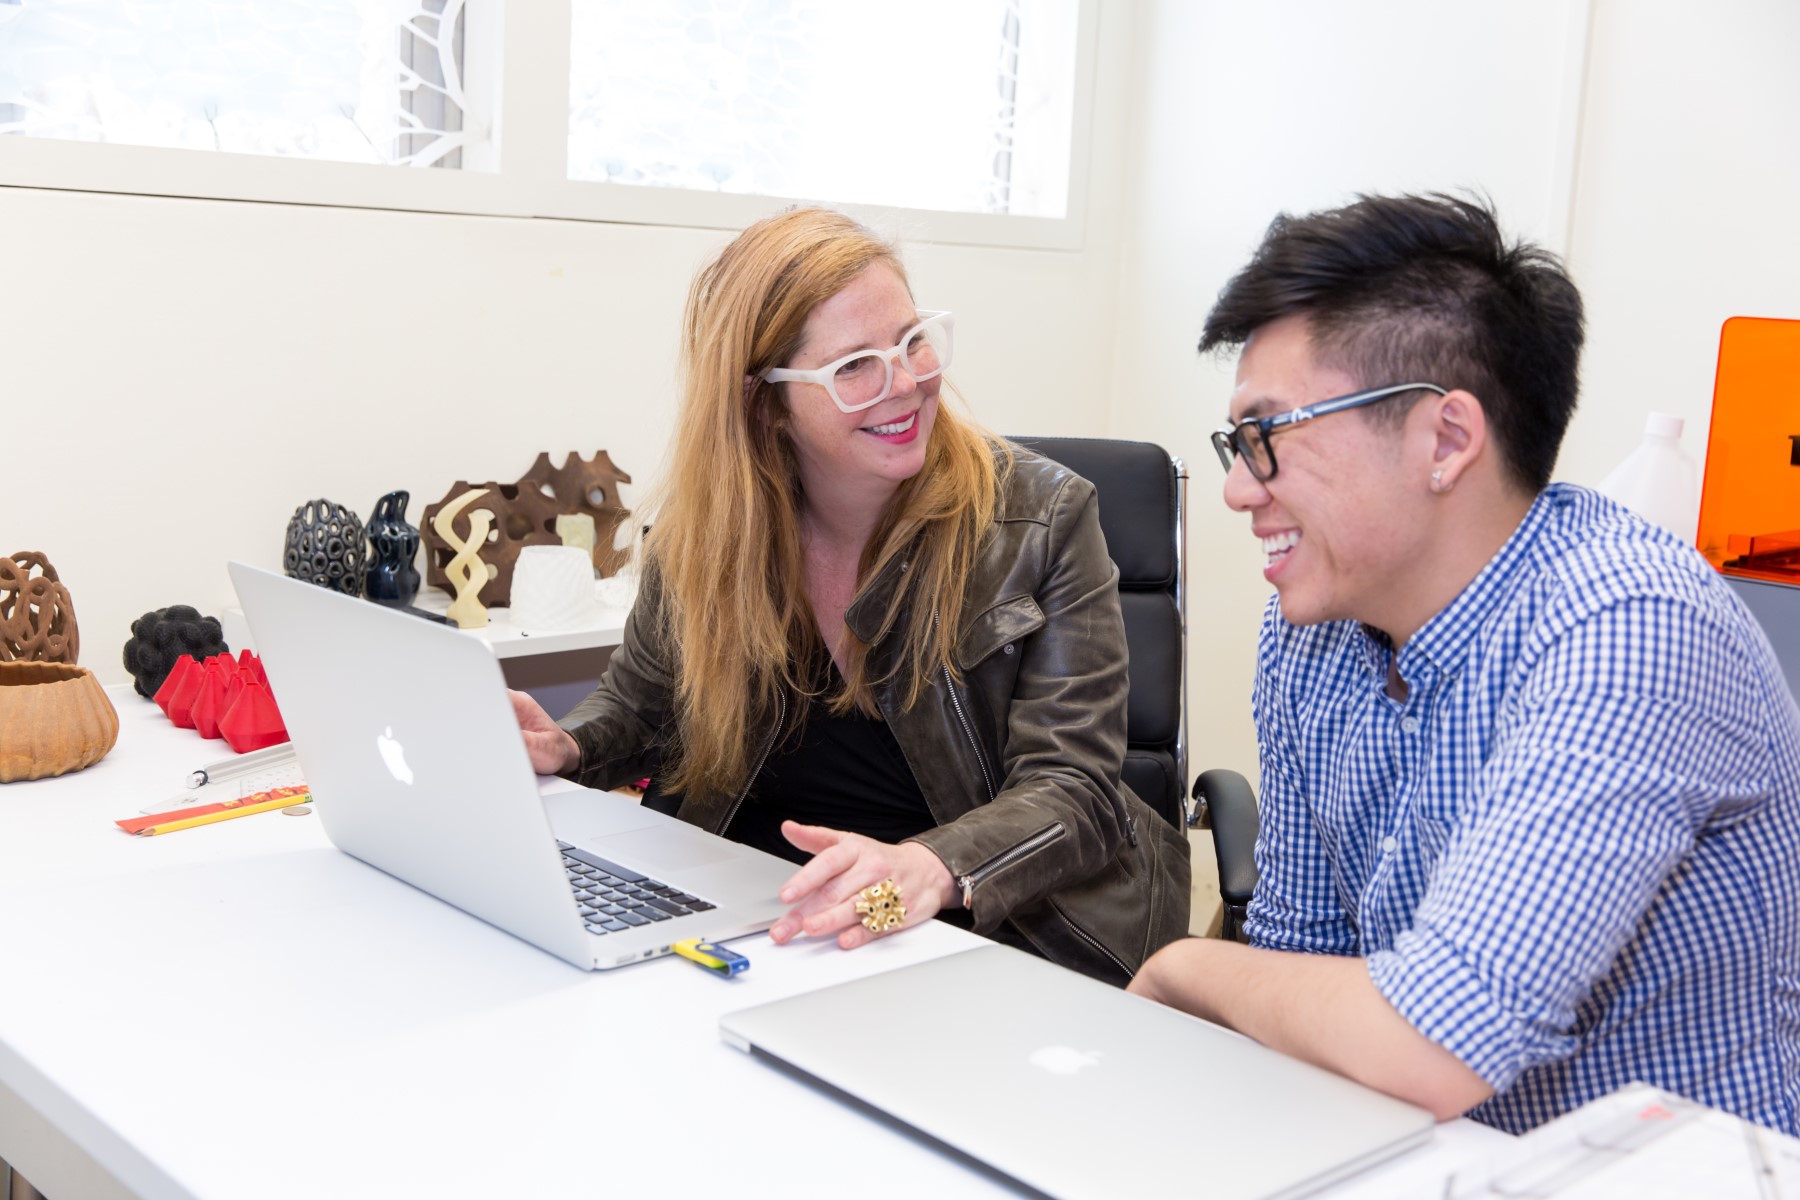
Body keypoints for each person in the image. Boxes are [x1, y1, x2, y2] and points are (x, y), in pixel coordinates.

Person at [1128, 193, 1800, 1133]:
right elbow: (1300, 953)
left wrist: (1183, 965)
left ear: (1445, 440)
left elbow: (1441, 1043)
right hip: (1414, 1150)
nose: (1239, 489)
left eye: (1266, 437)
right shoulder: (1312, 627)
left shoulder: (1629, 627)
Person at [510, 207, 1189, 984]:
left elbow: (1075, 791)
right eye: (855, 367)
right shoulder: (706, 535)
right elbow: (643, 705)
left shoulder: (1042, 519)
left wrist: (931, 866)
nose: (906, 383)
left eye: (912, 340)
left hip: (972, 928)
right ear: (765, 403)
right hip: (762, 923)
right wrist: (570, 746)